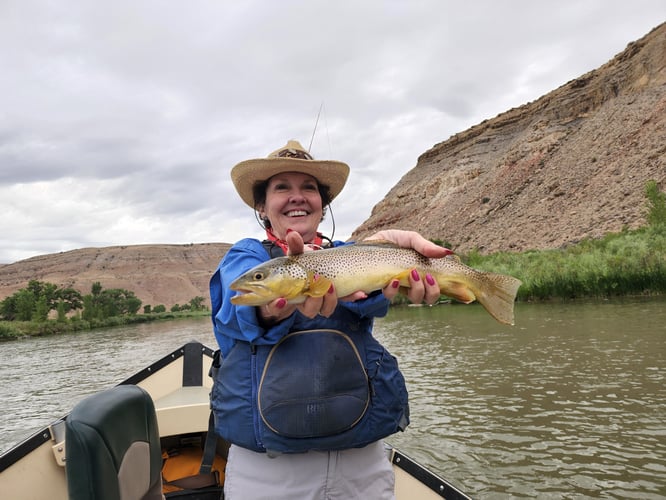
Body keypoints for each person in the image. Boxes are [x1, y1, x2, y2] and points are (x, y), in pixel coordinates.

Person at [209, 140, 451, 500]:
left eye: (308, 187)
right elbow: (238, 308)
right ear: (262, 206)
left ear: (323, 206)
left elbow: (369, 294)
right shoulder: (244, 259)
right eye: (282, 188)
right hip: (270, 471)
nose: (297, 196)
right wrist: (281, 301)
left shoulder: (346, 257)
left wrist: (392, 252)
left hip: (361, 460)